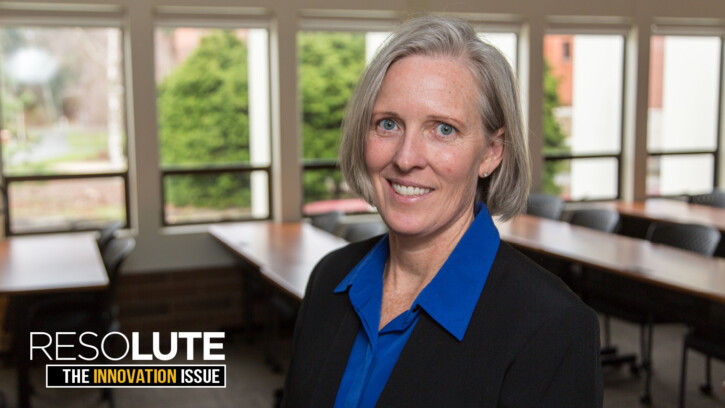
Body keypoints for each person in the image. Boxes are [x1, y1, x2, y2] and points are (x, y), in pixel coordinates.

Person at [283, 15, 602, 407]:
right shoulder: (329, 280)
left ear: (491, 152)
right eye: (388, 124)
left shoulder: (553, 328)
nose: (406, 157)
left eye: (443, 129)